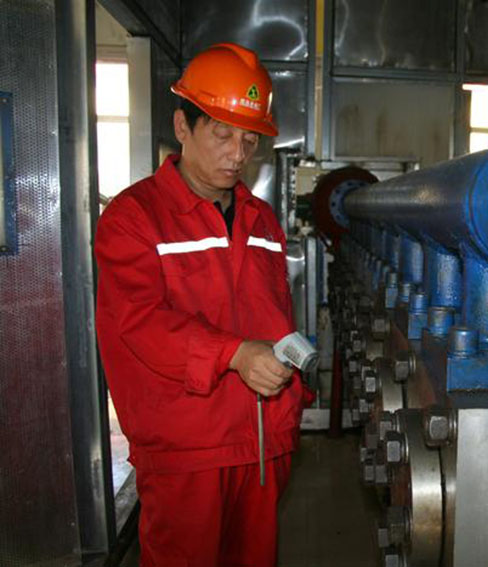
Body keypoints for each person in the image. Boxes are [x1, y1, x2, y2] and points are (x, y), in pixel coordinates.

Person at [95, 42, 312, 567]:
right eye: (222, 134)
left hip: (263, 442)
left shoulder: (262, 219)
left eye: (249, 139)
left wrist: (293, 396)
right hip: (187, 451)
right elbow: (139, 323)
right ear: (182, 126)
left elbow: (273, 316)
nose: (238, 154)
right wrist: (234, 354)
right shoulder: (135, 217)